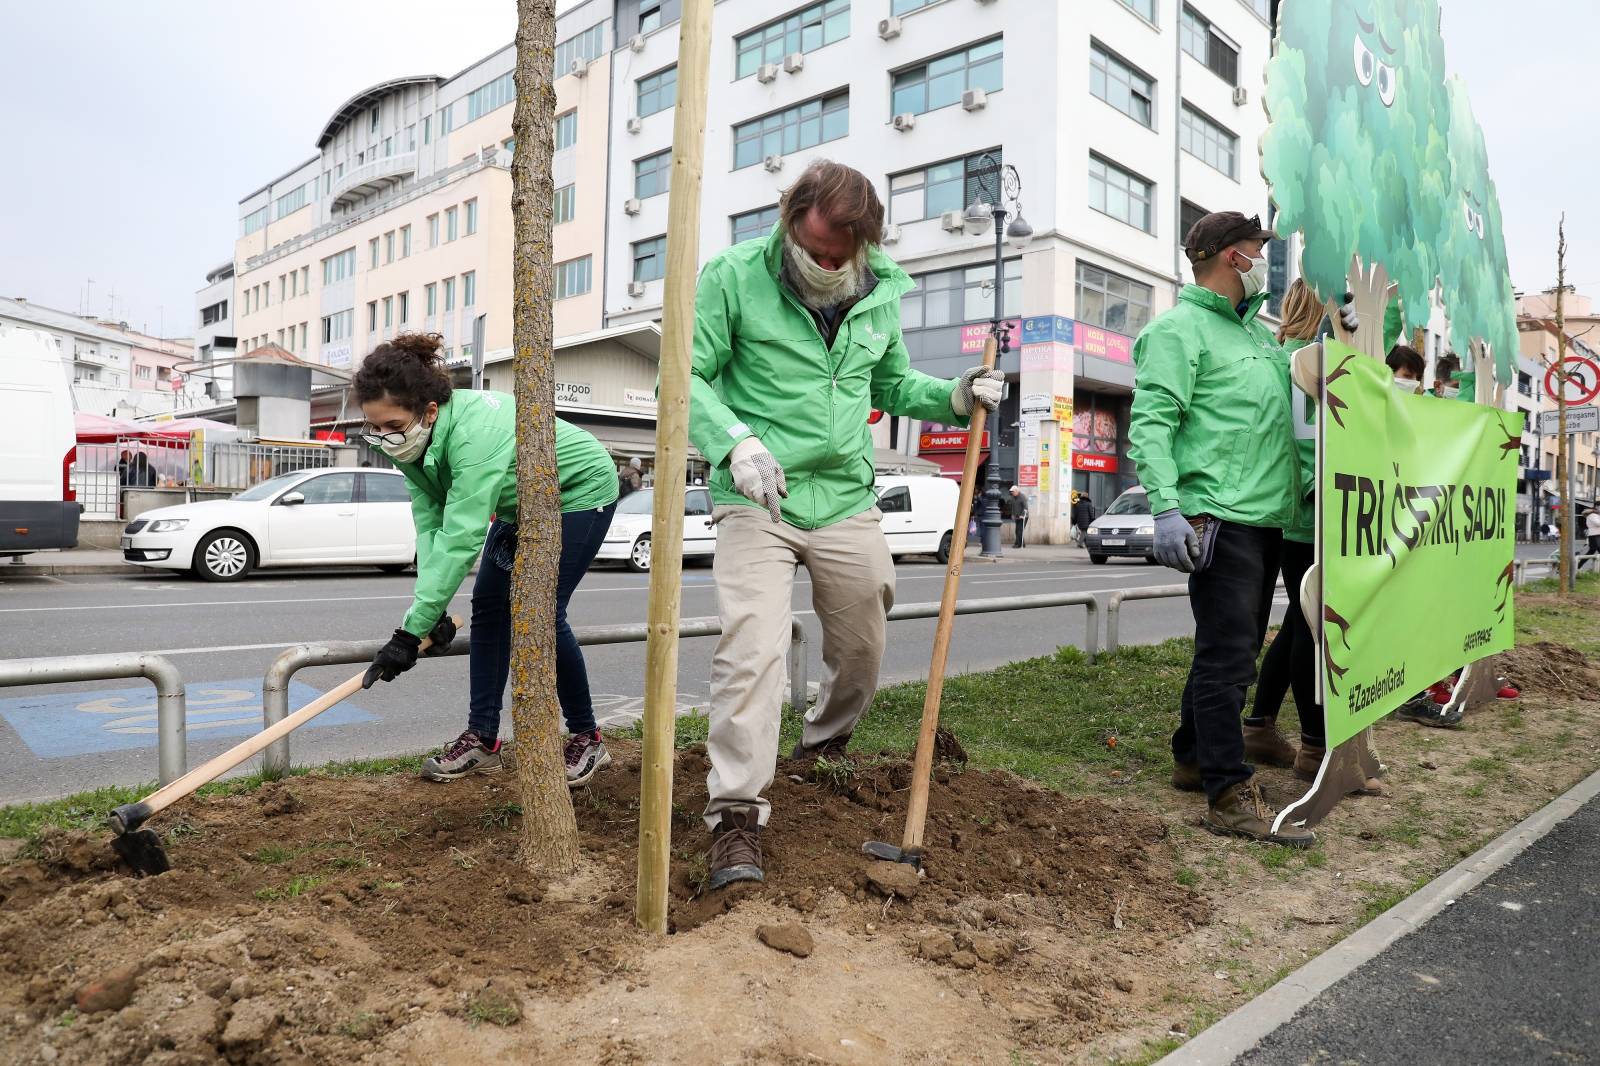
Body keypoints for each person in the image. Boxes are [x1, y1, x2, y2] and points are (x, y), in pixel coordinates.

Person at [687, 160, 1004, 888]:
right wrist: (734, 441)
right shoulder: (732, 276)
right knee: (751, 652)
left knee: (864, 636)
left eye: (843, 256)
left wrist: (957, 395)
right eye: (820, 249)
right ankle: (736, 816)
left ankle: (824, 743)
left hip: (845, 496)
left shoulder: (879, 288)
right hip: (757, 492)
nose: (830, 265)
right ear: (792, 217)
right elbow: (689, 377)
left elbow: (890, 384)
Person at [1129, 211, 1353, 847]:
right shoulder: (1178, 331)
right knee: (1228, 656)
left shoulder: (1258, 338)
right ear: (1232, 256)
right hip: (1216, 518)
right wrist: (1167, 507)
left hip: (1262, 521)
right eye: (1258, 249)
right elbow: (1151, 423)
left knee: (1233, 649)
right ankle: (1228, 790)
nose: (1265, 259)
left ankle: (1191, 755)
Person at [357, 333, 620, 786]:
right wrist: (429, 614)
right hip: (519, 502)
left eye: (392, 425)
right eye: (373, 427)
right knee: (488, 609)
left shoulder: (475, 434)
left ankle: (587, 737)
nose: (383, 437)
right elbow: (432, 529)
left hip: (578, 492)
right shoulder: (408, 442)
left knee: (541, 613)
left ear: (430, 411)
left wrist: (408, 633)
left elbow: (461, 536)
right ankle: (483, 738)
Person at [1245, 281, 1384, 791]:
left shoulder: (1284, 357)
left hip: (1301, 508)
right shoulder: (1312, 363)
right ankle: (1316, 748)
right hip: (1315, 510)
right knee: (1312, 626)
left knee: (1300, 618)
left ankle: (1261, 725)